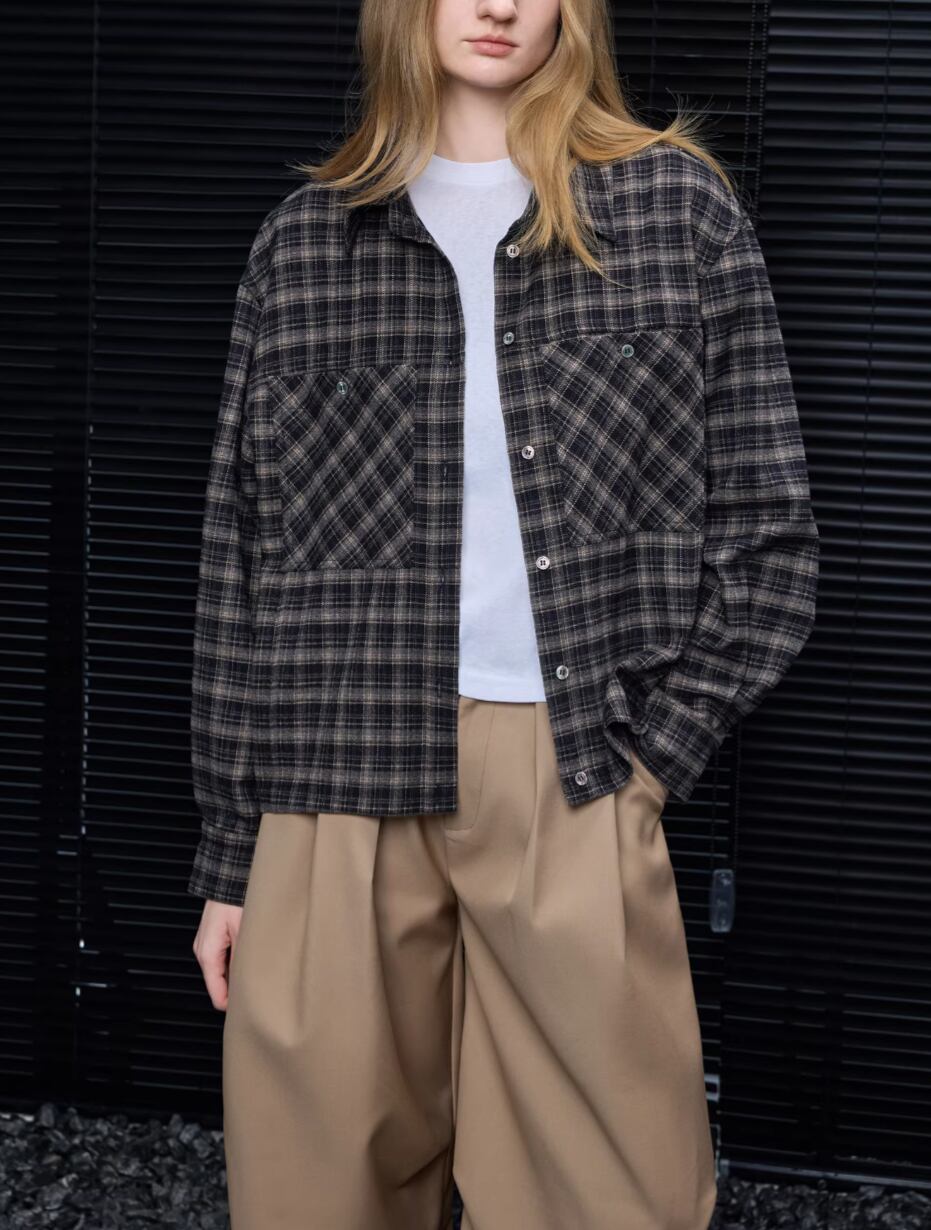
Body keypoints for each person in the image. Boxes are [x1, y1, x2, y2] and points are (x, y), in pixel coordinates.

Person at [189, 0, 819, 1226]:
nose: (497, 6)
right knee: (317, 1193)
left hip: (572, 769)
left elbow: (768, 538)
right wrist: (230, 855)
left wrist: (652, 761)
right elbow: (243, 563)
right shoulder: (306, 241)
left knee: (611, 1195)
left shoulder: (675, 212)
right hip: (332, 780)